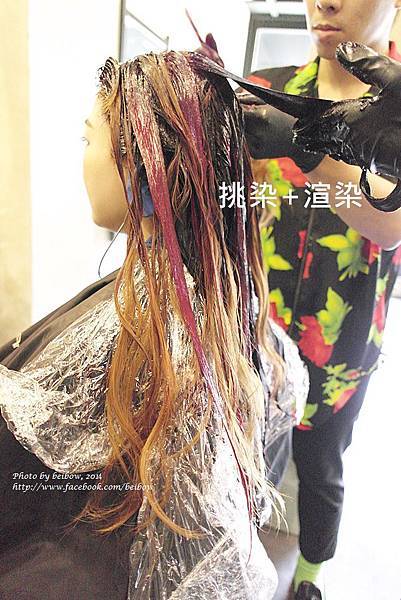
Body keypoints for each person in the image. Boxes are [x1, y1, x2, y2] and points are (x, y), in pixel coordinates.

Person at [0, 51, 309, 600]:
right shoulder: (233, 310)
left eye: (87, 138)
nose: (82, 157)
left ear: (140, 165)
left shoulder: (151, 329)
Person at [199, 1, 401, 599]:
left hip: (344, 339)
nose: (324, 2)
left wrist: (311, 147)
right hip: (256, 334)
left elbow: (390, 223)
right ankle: (242, 556)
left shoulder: (396, 109)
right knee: (247, 452)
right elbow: (231, 200)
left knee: (321, 468)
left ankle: (311, 572)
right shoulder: (266, 90)